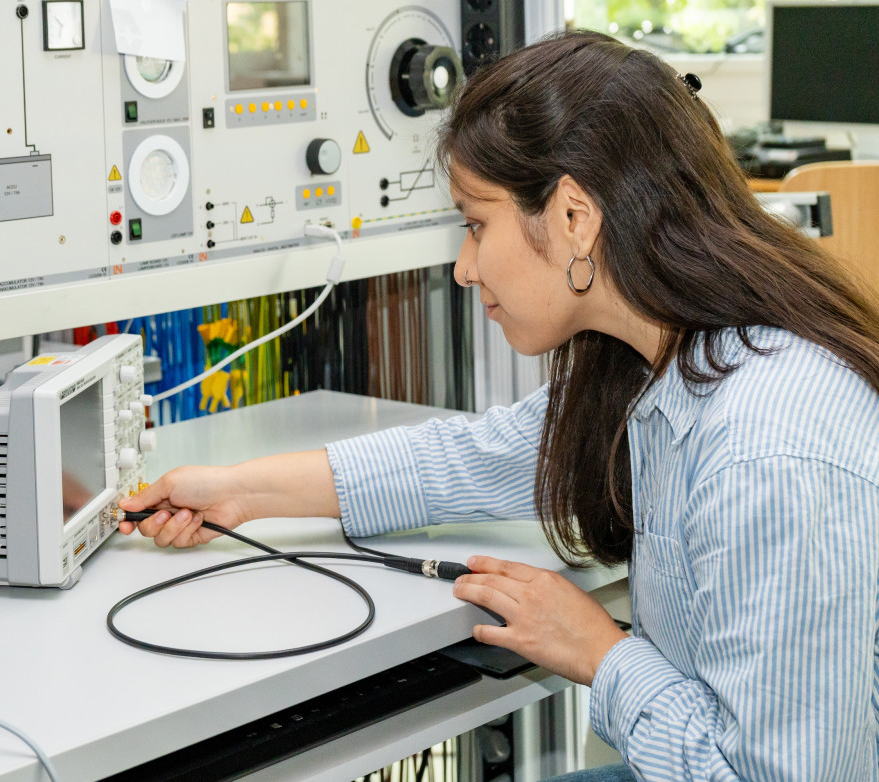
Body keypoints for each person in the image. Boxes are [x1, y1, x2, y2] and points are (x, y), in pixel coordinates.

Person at [119, 30, 879, 782]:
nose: (462, 267)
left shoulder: (768, 448)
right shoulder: (655, 364)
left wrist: (598, 653)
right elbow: (468, 457)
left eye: (477, 225)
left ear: (576, 217)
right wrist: (239, 493)